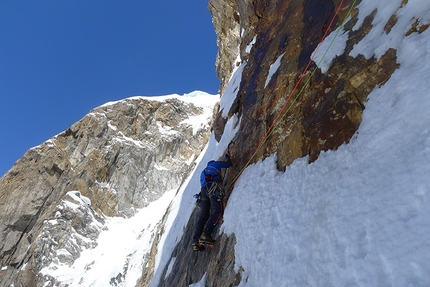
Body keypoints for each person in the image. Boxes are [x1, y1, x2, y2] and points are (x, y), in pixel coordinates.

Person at [193, 153, 232, 251]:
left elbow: (203, 185)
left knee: (202, 217)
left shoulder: (203, 172)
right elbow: (228, 164)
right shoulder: (215, 164)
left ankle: (196, 241)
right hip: (212, 188)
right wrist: (228, 157)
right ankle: (206, 234)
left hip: (203, 192)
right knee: (217, 211)